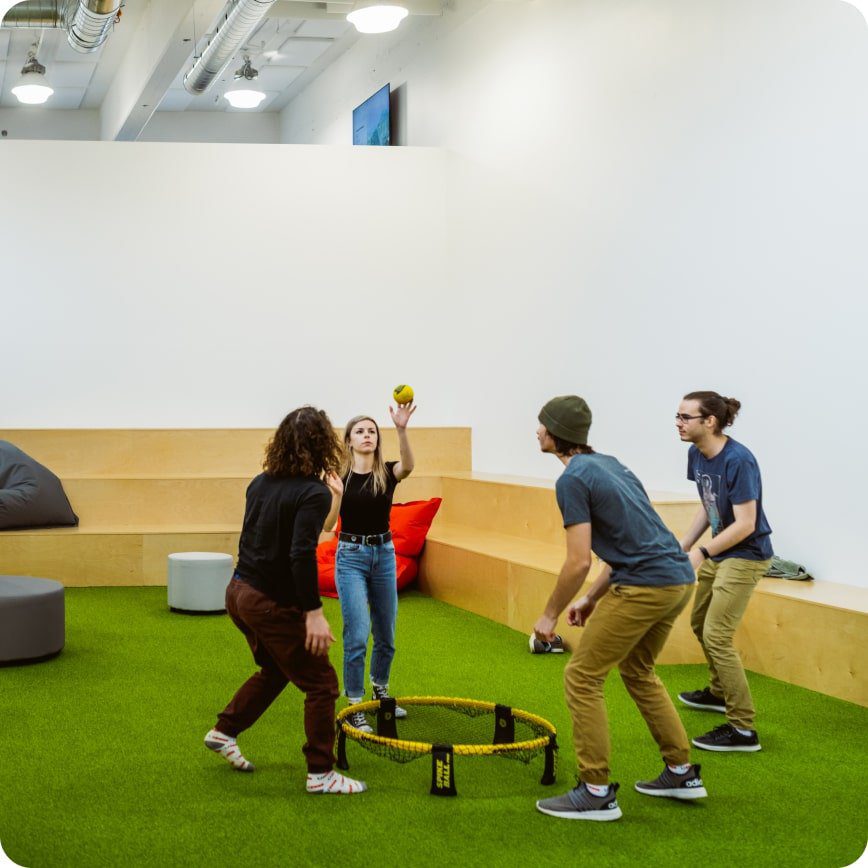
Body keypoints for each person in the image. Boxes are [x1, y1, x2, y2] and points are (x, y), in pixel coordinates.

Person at [533, 395, 706, 822]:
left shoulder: (572, 480)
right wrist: (591, 599)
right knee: (637, 670)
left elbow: (577, 561)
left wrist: (549, 615)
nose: (536, 431)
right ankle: (681, 772)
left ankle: (595, 791)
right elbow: (631, 541)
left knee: (582, 676)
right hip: (678, 580)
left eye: (541, 425)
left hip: (645, 585)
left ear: (555, 434)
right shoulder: (611, 464)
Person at [204, 406, 367, 795]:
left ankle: (224, 732)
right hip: (268, 603)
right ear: (323, 444)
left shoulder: (260, 482)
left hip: (239, 593)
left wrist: (335, 497)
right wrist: (313, 614)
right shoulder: (311, 492)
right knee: (322, 684)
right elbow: (299, 554)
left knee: (276, 670)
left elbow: (287, 537)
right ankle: (320, 773)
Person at [675, 391, 773, 752]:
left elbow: (746, 523)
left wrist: (702, 551)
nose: (678, 423)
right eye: (678, 416)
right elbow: (709, 504)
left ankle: (743, 729)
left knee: (717, 634)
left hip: (746, 554)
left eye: (686, 417)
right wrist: (684, 544)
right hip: (720, 551)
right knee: (700, 624)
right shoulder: (696, 454)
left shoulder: (739, 460)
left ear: (710, 422)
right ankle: (719, 692)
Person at [327, 402, 415, 733]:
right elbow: (327, 525)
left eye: (372, 431)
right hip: (350, 556)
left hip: (384, 555)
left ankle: (380, 692)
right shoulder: (339, 477)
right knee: (357, 635)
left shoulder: (387, 472)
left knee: (386, 635)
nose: (367, 436)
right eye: (360, 431)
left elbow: (408, 466)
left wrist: (402, 429)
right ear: (349, 440)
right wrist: (335, 495)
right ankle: (355, 705)